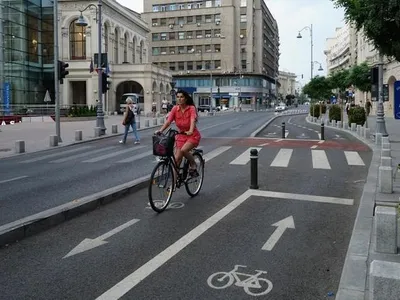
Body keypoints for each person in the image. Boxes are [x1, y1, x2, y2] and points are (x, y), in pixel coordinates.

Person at [155, 90, 200, 176]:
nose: (179, 99)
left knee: (184, 150)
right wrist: (160, 130)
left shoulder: (191, 108)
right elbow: (168, 121)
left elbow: (192, 120)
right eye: (178, 97)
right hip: (181, 136)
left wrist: (190, 130)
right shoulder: (175, 109)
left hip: (192, 135)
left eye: (182, 97)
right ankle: (173, 185)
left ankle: (193, 164)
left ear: (186, 99)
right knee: (177, 159)